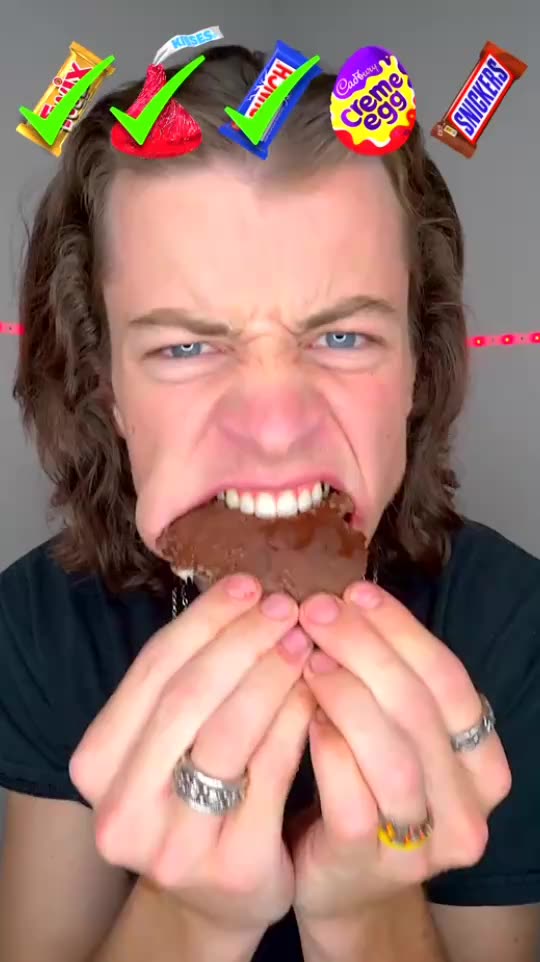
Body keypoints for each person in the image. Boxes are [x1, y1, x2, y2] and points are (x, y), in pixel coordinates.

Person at [0, 42, 539, 962]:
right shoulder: (39, 625)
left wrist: (370, 917)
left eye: (343, 336)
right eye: (184, 348)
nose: (278, 427)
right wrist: (189, 919)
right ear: (105, 388)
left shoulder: (516, 624)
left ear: (418, 367)